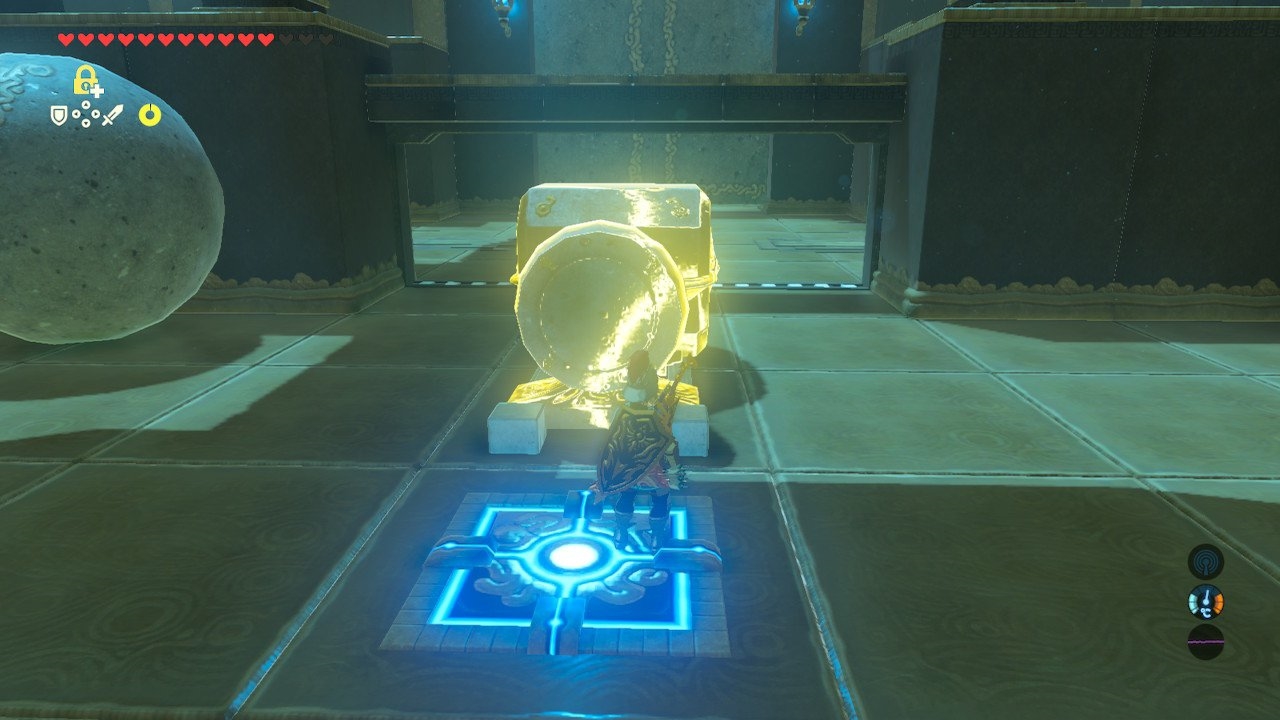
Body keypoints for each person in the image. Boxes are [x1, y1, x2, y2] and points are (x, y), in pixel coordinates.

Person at [591, 350, 690, 552]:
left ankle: (623, 533)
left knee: (627, 496)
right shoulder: (657, 410)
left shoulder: (622, 411)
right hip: (653, 468)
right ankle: (655, 537)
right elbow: (665, 441)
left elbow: (615, 442)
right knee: (659, 498)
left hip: (627, 468)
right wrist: (673, 467)